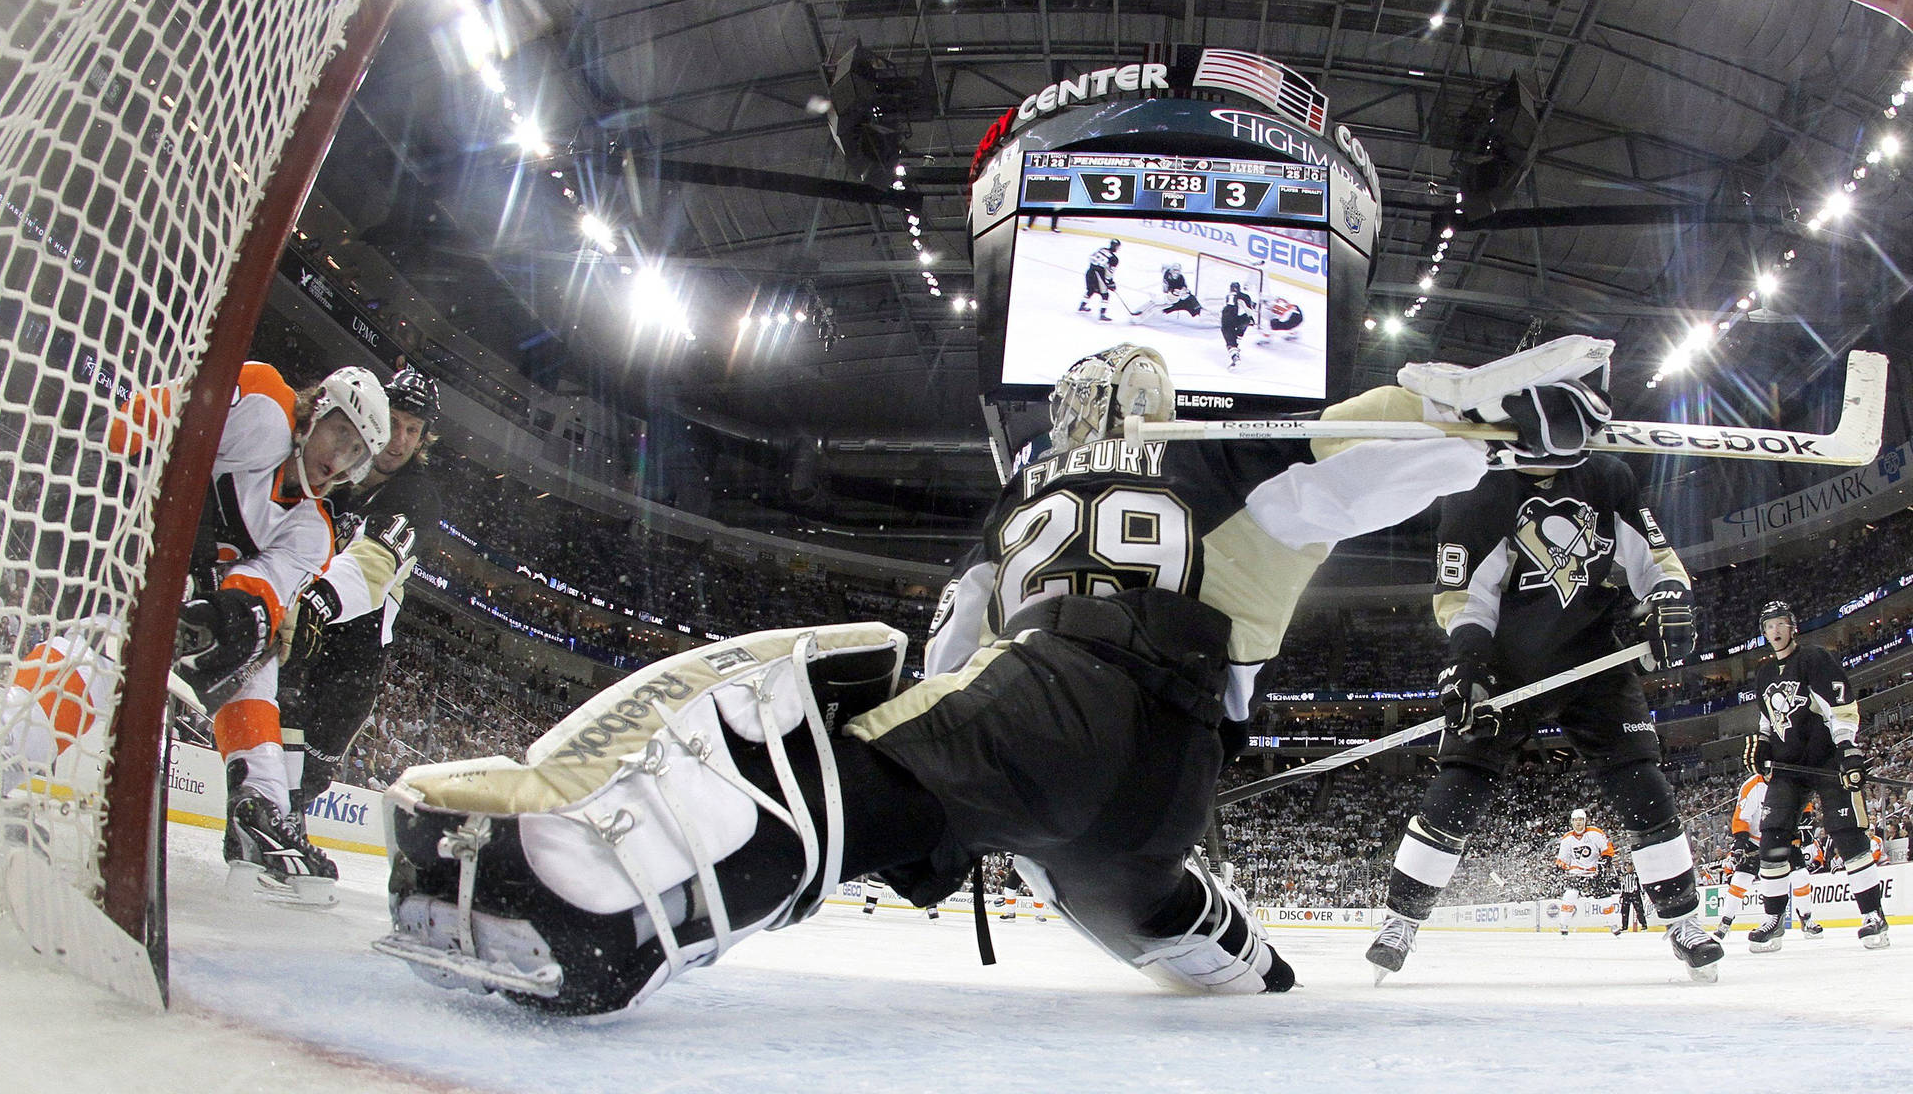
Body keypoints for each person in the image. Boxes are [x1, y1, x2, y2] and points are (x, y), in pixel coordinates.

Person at [374, 336, 1616, 1015]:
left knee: (844, 747)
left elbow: (952, 661)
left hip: (1055, 706)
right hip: (1162, 786)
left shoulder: (1017, 518)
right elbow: (1357, 454)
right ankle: (1246, 964)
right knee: (1142, 901)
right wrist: (1479, 420)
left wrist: (936, 786)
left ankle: (602, 910)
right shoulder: (1216, 468)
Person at [1364, 424, 1725, 982]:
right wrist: (1467, 661)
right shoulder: (1475, 488)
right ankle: (1400, 921)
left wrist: (1670, 595)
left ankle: (1683, 920)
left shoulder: (1608, 477)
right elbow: (1464, 595)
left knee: (1639, 778)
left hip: (1592, 655)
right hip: (1505, 663)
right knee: (1461, 779)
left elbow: (1656, 558)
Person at [107, 361, 389, 907]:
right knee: (103, 653)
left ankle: (258, 815)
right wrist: (179, 533)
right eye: (339, 434)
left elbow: (255, 591)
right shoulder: (262, 403)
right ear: (316, 411)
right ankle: (20, 745)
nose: (340, 459)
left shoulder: (313, 531)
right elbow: (138, 430)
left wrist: (219, 620)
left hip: (174, 593)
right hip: (120, 522)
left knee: (256, 651)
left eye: (357, 452)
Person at [277, 367, 443, 883]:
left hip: (359, 638)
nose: (399, 439)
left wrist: (319, 600)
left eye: (413, 430)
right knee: (283, 717)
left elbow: (374, 563)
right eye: (393, 422)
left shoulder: (418, 496)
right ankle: (277, 829)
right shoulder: (335, 462)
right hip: (297, 609)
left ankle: (288, 817)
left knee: (318, 763)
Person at [1743, 600, 1889, 949]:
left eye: (1780, 623)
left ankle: (1873, 915)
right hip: (1786, 767)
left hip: (1824, 760)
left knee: (1847, 833)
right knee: (1772, 840)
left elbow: (1840, 706)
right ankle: (1774, 918)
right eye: (1768, 626)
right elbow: (1768, 718)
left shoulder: (1815, 659)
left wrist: (1846, 748)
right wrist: (1763, 744)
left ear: (1793, 626)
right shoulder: (1764, 674)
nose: (1775, 631)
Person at [1713, 766, 1821, 940]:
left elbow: (1805, 806)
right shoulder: (1752, 786)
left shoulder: (1789, 781)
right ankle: (1725, 923)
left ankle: (1806, 919)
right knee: (1740, 881)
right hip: (1755, 840)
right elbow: (1741, 818)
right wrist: (1741, 842)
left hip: (1783, 837)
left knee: (1802, 877)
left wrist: (1804, 828)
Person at [1556, 807, 1614, 935]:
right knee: (1569, 896)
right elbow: (1562, 859)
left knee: (1605, 899)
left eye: (1581, 820)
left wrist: (1605, 860)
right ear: (1572, 822)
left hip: (1594, 871)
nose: (1578, 823)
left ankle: (1614, 925)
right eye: (1575, 820)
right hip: (1576, 872)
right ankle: (1564, 925)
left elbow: (1607, 849)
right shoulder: (1567, 839)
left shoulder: (1595, 833)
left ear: (1585, 820)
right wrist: (1560, 866)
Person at [1077, 239, 1120, 320]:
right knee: (1105, 294)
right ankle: (1102, 314)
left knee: (1091, 290)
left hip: (1089, 272)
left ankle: (1082, 306)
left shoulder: (1102, 249)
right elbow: (1110, 272)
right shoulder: (1114, 259)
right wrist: (1110, 283)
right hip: (1098, 275)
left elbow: (1091, 258)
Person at [1219, 282, 1256, 370]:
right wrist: (1251, 318)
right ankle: (1236, 343)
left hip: (1227, 319)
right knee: (1243, 325)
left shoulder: (1227, 296)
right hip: (1242, 319)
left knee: (1230, 338)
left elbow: (1224, 310)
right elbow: (1249, 310)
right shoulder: (1245, 296)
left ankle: (1235, 355)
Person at [1613, 851, 1647, 933]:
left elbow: (1640, 884)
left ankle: (1644, 925)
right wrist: (1622, 895)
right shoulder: (1625, 876)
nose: (1627, 868)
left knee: (1639, 910)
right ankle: (1625, 927)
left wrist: (1642, 892)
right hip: (1626, 894)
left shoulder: (1635, 875)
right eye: (1627, 867)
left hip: (1635, 893)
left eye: (1629, 867)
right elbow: (1623, 886)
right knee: (1624, 911)